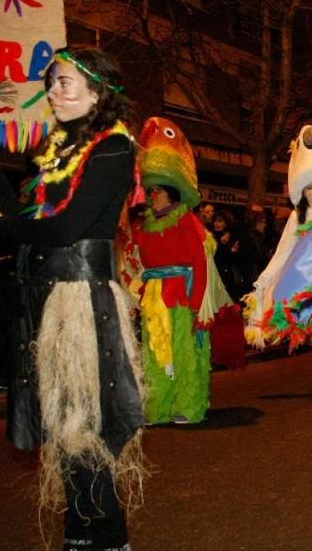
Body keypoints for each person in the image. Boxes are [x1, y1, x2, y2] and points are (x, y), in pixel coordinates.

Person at [0, 46, 143, 551]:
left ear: (97, 91)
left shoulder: (113, 148)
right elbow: (28, 220)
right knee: (61, 425)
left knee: (83, 426)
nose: (53, 92)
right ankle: (81, 533)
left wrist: (1, 225)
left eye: (64, 82)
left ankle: (108, 537)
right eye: (50, 84)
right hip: (46, 300)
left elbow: (66, 228)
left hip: (80, 302)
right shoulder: (59, 152)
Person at [127, 117, 244, 422]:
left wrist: (199, 307)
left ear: (171, 190)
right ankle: (160, 406)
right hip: (155, 299)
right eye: (149, 190)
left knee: (185, 353)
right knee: (156, 353)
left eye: (158, 190)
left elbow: (200, 262)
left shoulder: (186, 220)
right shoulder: (143, 225)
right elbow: (135, 261)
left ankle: (189, 406)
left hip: (183, 295)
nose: (153, 195)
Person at [245, 125, 312, 398]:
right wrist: (265, 279)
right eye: (309, 187)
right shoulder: (296, 218)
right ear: (302, 191)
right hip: (311, 284)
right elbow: (284, 250)